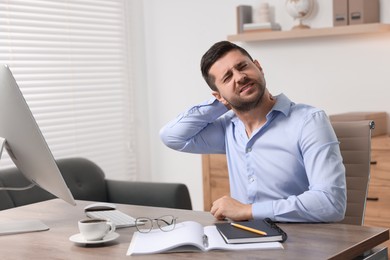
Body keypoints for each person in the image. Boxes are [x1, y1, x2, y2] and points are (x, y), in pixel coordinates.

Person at [159, 41, 346, 223]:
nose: (240, 77)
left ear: (258, 67)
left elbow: (330, 202)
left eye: (243, 67)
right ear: (218, 96)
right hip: (246, 241)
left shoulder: (309, 121)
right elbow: (172, 136)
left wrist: (248, 210)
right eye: (227, 77)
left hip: (303, 242)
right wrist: (225, 101)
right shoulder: (227, 129)